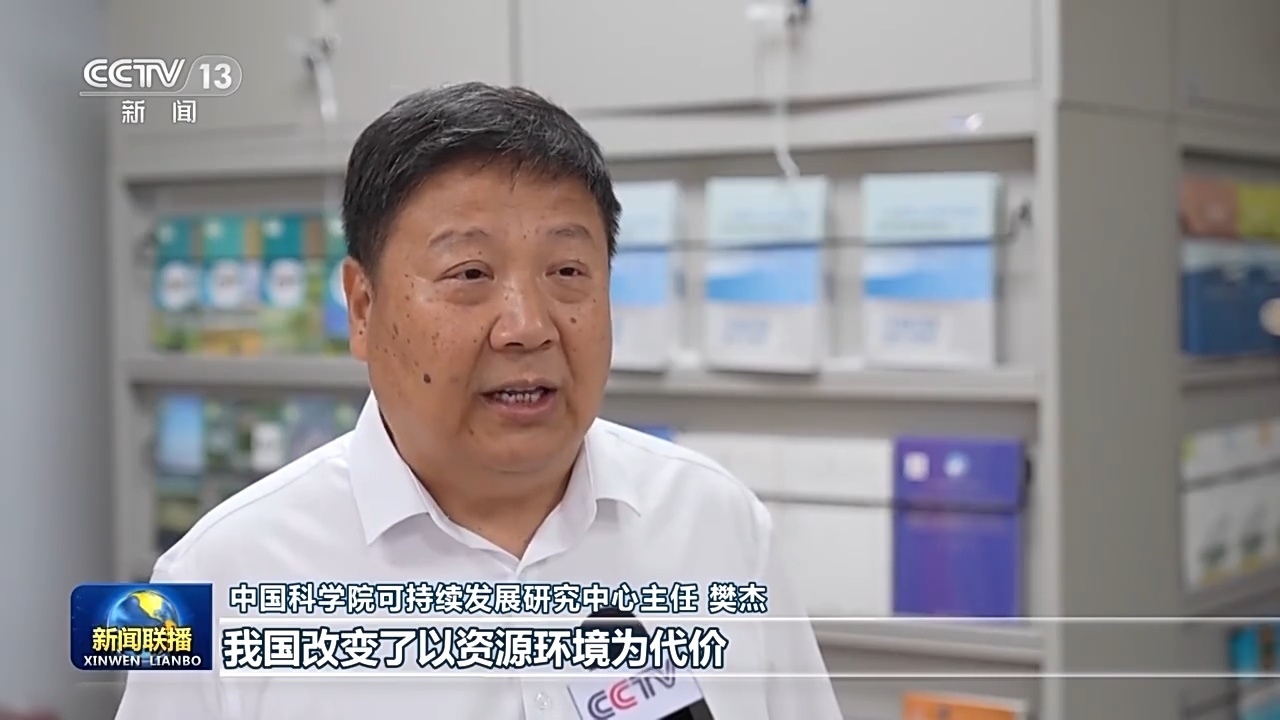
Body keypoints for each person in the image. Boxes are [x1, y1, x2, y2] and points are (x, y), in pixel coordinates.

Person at [114, 82, 842, 719]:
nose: (527, 326)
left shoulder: (717, 524)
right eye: (469, 274)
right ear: (362, 307)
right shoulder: (217, 578)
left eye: (568, 271)